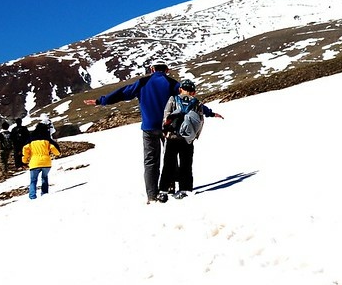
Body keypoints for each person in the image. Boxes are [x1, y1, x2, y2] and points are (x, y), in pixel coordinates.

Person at [84, 60, 181, 204]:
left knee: (150, 162)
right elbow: (186, 99)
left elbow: (123, 93)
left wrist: (101, 101)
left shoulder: (142, 83)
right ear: (167, 70)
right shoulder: (173, 84)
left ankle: (152, 196)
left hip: (149, 127)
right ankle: (169, 189)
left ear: (152, 69)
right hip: (168, 126)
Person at [157, 79, 224, 201]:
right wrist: (195, 136)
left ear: (180, 89)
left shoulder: (173, 99)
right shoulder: (196, 102)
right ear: (193, 92)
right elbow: (200, 120)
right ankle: (185, 189)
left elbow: (166, 116)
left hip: (172, 137)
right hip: (188, 139)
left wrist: (165, 131)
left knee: (168, 164)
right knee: (186, 165)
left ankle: (163, 191)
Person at [22, 123, 61, 200]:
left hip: (34, 162)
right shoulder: (47, 139)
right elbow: (54, 148)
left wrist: (24, 160)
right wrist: (57, 154)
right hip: (46, 162)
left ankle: (32, 196)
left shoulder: (31, 139)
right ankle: (44, 193)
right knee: (44, 177)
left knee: (33, 180)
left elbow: (25, 149)